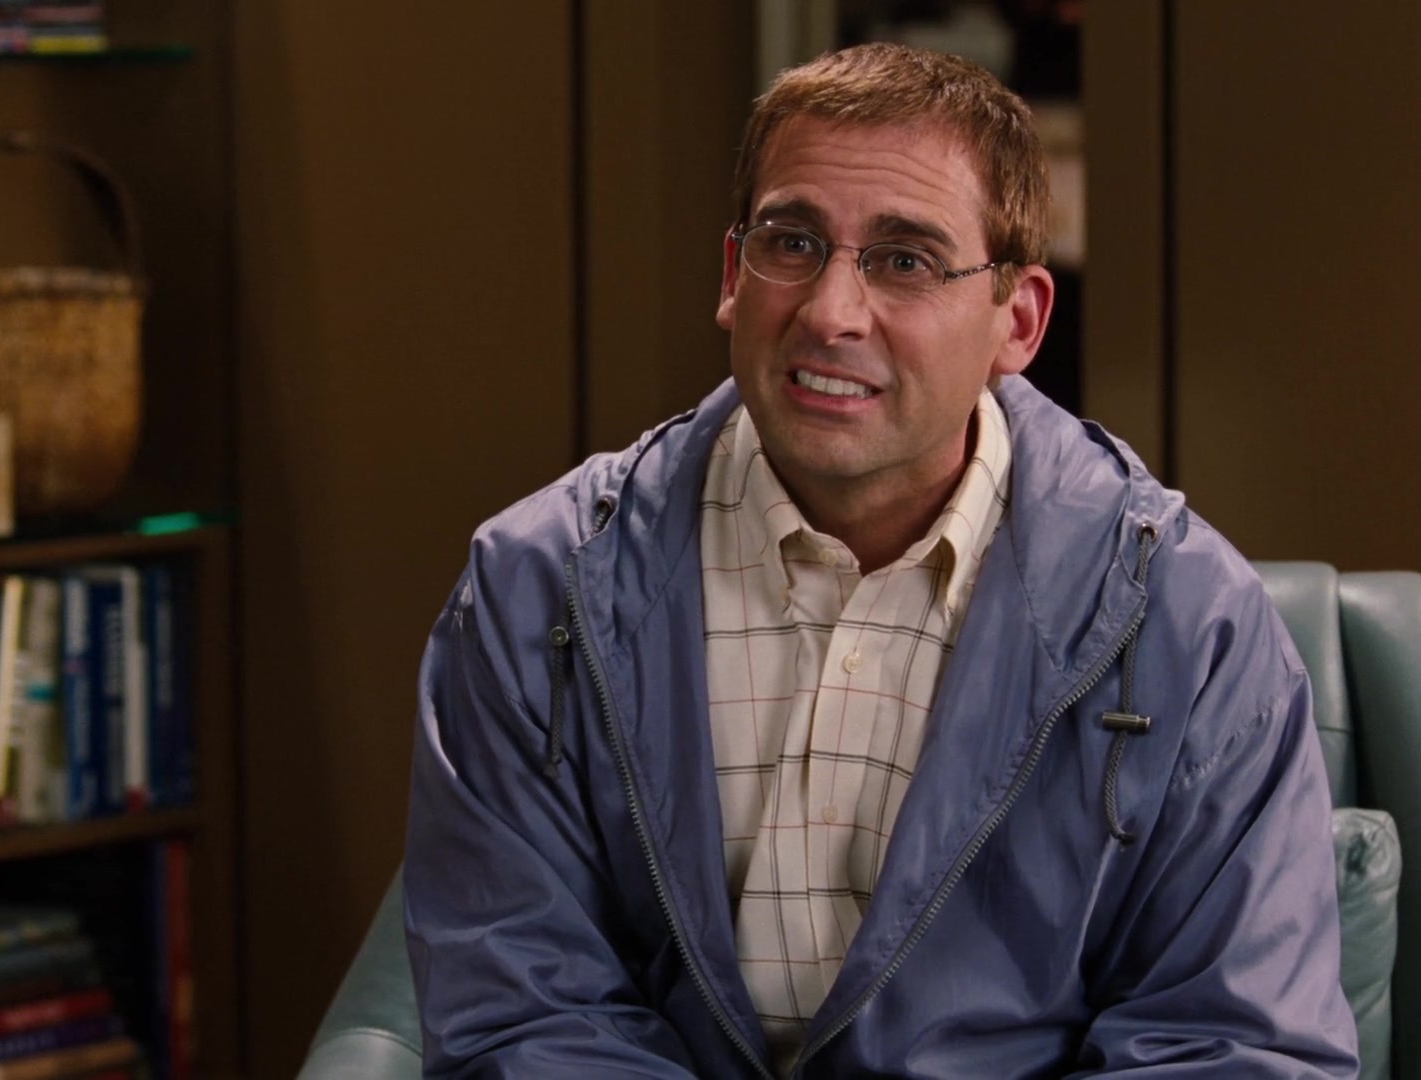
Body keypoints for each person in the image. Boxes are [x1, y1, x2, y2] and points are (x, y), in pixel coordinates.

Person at [403, 41, 1359, 1079]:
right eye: (791, 243)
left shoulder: (1194, 627)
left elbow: (1232, 1047)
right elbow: (525, 1017)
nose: (829, 313)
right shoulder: (534, 589)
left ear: (1019, 322)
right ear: (731, 277)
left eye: (905, 261)